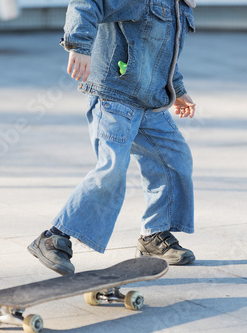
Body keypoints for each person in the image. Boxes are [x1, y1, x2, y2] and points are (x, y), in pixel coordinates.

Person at [28, 0, 197, 275]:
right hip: (114, 96)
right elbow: (88, 2)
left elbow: (164, 51)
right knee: (112, 169)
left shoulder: (180, 5)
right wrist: (79, 46)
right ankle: (54, 237)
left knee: (174, 159)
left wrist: (176, 88)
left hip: (151, 102)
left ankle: (154, 236)